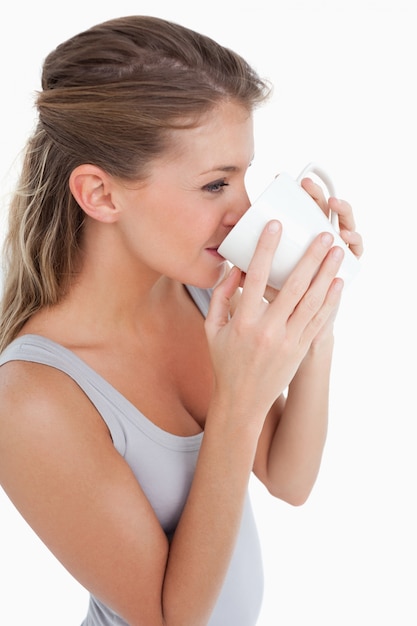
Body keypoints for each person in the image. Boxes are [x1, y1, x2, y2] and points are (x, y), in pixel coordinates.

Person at [0, 15, 363, 626]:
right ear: (101, 195)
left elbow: (289, 478)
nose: (244, 211)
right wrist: (239, 402)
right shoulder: (30, 400)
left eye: (245, 176)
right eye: (215, 184)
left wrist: (315, 314)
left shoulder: (199, 296)